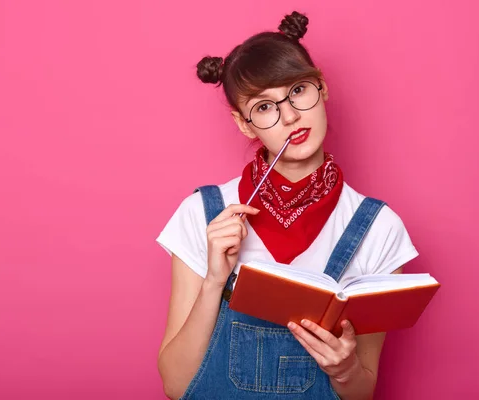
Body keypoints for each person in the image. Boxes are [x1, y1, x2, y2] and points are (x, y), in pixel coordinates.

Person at [155, 11, 419, 400]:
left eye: (297, 90)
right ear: (244, 124)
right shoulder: (203, 214)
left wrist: (345, 369)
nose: (291, 116)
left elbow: (362, 392)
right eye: (264, 107)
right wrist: (214, 280)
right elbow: (176, 387)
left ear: (322, 87)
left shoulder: (380, 227)